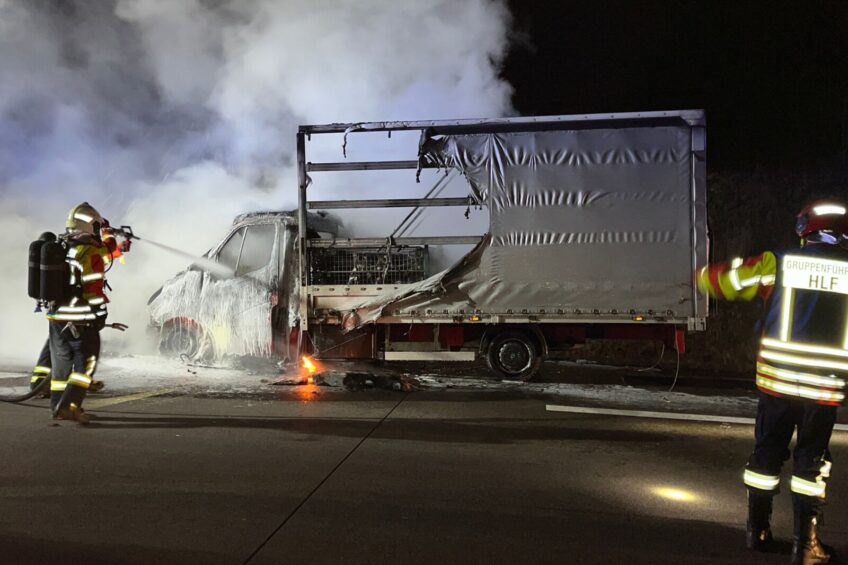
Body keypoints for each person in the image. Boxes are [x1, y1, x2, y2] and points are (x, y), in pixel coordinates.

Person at [698, 199, 848, 565]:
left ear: (804, 230)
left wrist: (710, 273)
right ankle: (805, 545)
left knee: (766, 454)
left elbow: (716, 281)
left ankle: (758, 532)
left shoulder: (775, 263)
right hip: (823, 388)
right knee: (811, 463)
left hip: (777, 384)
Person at [46, 202, 130, 424]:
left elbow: (106, 254)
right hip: (79, 318)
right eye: (96, 227)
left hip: (57, 316)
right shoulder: (90, 251)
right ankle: (69, 407)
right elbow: (93, 289)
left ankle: (57, 405)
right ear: (90, 226)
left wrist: (110, 237)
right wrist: (100, 315)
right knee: (87, 363)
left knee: (61, 365)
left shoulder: (65, 245)